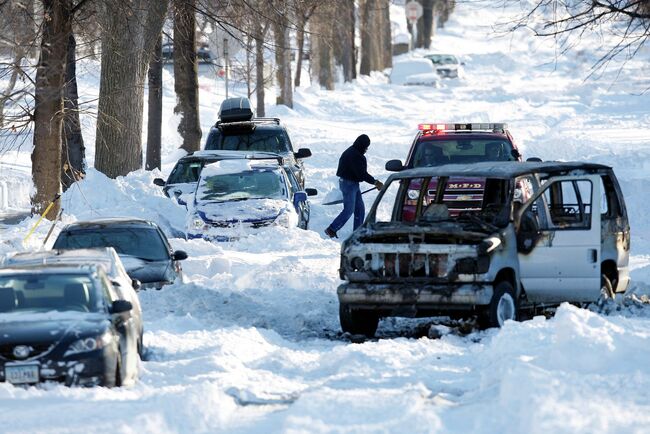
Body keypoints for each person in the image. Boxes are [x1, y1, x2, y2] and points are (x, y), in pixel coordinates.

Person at [325, 134, 383, 238]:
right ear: (362, 145)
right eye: (366, 147)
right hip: (348, 184)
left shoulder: (353, 151)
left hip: (352, 184)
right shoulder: (354, 155)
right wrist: (375, 182)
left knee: (360, 209)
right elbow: (361, 174)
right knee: (349, 209)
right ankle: (332, 229)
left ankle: (358, 233)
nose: (366, 149)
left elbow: (360, 173)